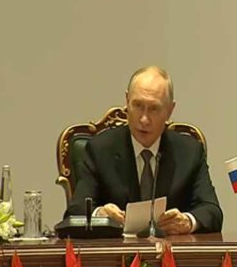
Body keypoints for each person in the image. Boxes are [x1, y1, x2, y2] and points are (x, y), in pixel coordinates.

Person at [65, 66, 223, 234]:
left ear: (170, 110)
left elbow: (212, 211)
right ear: (127, 101)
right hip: (119, 249)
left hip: (170, 249)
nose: (144, 119)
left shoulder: (189, 152)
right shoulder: (100, 149)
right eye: (138, 105)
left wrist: (187, 221)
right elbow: (75, 211)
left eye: (154, 108)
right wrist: (100, 215)